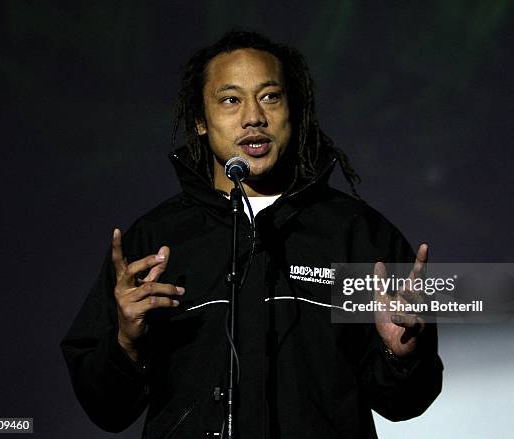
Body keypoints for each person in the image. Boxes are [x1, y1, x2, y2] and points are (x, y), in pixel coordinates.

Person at [61, 30, 443, 439]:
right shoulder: (155, 240)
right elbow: (106, 410)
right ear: (200, 121)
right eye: (230, 100)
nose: (253, 117)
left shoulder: (358, 234)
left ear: (292, 111)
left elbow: (405, 404)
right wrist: (126, 343)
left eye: (270, 96)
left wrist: (401, 356)